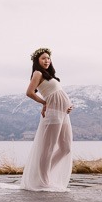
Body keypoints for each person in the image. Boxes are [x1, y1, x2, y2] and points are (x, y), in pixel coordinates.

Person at [21, 47, 73, 192]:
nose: (47, 60)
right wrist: (44, 103)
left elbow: (58, 94)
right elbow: (29, 92)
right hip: (53, 114)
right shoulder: (37, 73)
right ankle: (44, 181)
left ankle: (43, 173)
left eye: (48, 58)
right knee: (48, 148)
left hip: (63, 113)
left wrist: (68, 105)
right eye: (43, 58)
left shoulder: (50, 75)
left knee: (66, 148)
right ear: (37, 61)